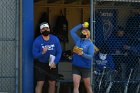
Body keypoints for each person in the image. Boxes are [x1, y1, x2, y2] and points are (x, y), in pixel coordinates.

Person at [32, 22, 62, 93]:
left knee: (52, 83)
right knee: (40, 83)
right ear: (40, 31)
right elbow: (34, 55)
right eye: (43, 29)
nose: (45, 30)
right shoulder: (37, 41)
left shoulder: (55, 39)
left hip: (52, 63)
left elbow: (59, 52)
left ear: (49, 29)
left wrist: (55, 62)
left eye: (47, 28)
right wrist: (42, 52)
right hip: (41, 64)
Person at [70, 23, 94, 93]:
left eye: (85, 33)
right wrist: (81, 25)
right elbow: (72, 31)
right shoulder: (78, 40)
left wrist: (82, 54)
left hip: (85, 67)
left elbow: (90, 57)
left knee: (87, 86)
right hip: (76, 66)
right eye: (82, 33)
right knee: (76, 85)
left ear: (88, 35)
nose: (83, 34)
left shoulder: (90, 44)